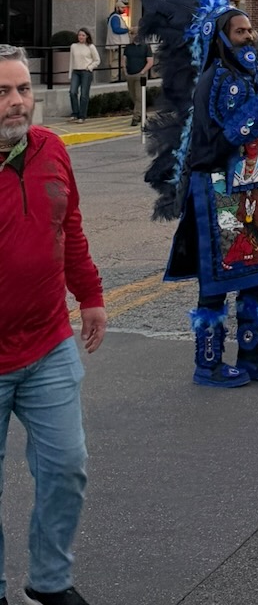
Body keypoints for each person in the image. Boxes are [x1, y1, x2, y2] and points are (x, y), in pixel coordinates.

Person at [142, 0, 258, 389]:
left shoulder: (256, 73)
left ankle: (252, 357)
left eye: (250, 30)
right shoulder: (215, 80)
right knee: (219, 279)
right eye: (241, 31)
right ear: (222, 37)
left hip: (247, 190)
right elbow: (231, 133)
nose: (250, 37)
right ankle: (208, 364)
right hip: (217, 190)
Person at [0, 43, 107, 605]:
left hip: (47, 344)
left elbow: (71, 227)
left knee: (66, 467)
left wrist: (88, 294)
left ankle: (49, 580)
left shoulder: (50, 148)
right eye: (2, 92)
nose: (17, 103)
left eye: (23, 90)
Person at [122, 27, 154, 127]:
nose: (134, 36)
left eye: (136, 34)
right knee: (133, 97)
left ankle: (135, 117)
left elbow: (150, 61)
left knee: (139, 97)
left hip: (140, 75)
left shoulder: (146, 47)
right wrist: (125, 71)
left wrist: (143, 71)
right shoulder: (128, 47)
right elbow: (123, 59)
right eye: (132, 34)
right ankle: (142, 113)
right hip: (130, 74)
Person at [68, 29, 100, 123]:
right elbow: (71, 61)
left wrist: (90, 67)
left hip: (86, 72)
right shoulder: (73, 46)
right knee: (72, 92)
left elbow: (97, 60)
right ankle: (75, 113)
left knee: (84, 94)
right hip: (76, 71)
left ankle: (82, 115)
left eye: (83, 35)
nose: (81, 37)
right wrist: (70, 74)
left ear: (87, 36)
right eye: (79, 35)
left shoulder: (91, 47)